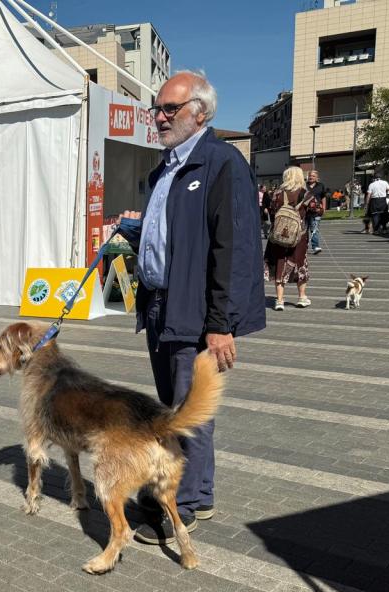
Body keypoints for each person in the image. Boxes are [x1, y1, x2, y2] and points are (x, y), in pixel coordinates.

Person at [120, 71, 265, 546]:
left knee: (189, 412)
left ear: (199, 113)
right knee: (176, 409)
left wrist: (221, 325)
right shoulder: (163, 168)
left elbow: (233, 249)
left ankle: (179, 505)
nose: (158, 118)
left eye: (169, 109)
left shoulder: (221, 164)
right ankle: (198, 494)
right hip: (161, 306)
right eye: (156, 109)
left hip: (198, 314)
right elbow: (175, 236)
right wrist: (138, 235)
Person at [264, 166, 312, 311]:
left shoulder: (277, 193)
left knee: (280, 264)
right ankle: (302, 297)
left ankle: (279, 300)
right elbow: (318, 210)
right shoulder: (305, 193)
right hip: (299, 236)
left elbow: (272, 212)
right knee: (300, 264)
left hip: (278, 236)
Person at [305, 169, 326, 254]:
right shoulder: (304, 185)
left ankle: (315, 246)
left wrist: (324, 208)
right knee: (304, 230)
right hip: (305, 211)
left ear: (317, 177)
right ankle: (303, 247)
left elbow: (323, 197)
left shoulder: (321, 185)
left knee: (314, 229)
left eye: (313, 176)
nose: (311, 177)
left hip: (316, 211)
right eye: (310, 175)